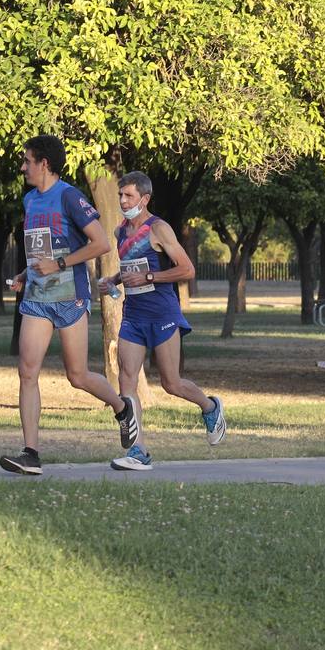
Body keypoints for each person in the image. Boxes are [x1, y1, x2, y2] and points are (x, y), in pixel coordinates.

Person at [0, 135, 136, 476]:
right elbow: (39, 251)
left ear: (44, 163)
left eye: (27, 160)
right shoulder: (30, 200)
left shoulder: (70, 196)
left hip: (70, 297)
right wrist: (23, 273)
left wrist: (59, 265)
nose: (22, 167)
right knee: (27, 371)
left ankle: (122, 408)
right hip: (36, 298)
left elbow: (102, 243)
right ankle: (30, 453)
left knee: (76, 375)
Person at [101, 171, 225, 470]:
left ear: (144, 199)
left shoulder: (159, 229)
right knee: (126, 378)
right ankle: (137, 451)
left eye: (128, 196)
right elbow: (132, 265)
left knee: (171, 382)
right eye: (120, 195)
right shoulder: (120, 232)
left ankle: (210, 406)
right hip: (134, 314)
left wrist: (150, 276)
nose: (122, 200)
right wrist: (115, 280)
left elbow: (187, 269)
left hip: (163, 313)